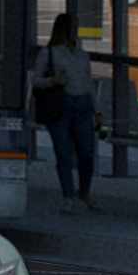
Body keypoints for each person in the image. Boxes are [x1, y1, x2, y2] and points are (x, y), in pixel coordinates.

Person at [40, 13, 101, 209]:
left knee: (87, 153)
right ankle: (69, 195)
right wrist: (52, 81)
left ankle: (83, 191)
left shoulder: (82, 55)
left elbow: (89, 83)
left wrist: (97, 110)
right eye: (72, 27)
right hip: (61, 104)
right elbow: (36, 80)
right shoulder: (49, 53)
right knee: (63, 153)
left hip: (82, 104)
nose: (75, 31)